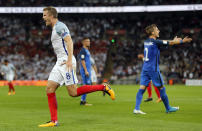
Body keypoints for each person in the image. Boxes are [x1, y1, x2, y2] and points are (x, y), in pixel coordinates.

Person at [39, 6, 115, 127]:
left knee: (73, 93)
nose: (43, 18)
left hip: (66, 62)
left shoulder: (60, 26)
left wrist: (69, 59)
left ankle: (103, 87)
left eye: (44, 15)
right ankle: (54, 121)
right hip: (60, 62)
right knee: (49, 88)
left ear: (51, 15)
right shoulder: (54, 28)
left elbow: (69, 41)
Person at [133, 24, 192, 114]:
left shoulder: (146, 41)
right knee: (161, 88)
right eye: (157, 29)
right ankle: (168, 108)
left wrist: (173, 40)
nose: (159, 31)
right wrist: (181, 41)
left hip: (145, 68)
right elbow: (169, 43)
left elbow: (163, 42)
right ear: (153, 32)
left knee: (142, 88)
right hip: (153, 69)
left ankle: (136, 108)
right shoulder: (155, 42)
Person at [79, 37, 92, 106]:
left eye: (89, 41)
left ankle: (83, 100)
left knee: (87, 85)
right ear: (83, 42)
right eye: (87, 41)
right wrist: (86, 70)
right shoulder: (83, 50)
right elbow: (82, 61)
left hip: (88, 70)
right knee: (86, 85)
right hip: (85, 70)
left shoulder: (87, 50)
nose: (89, 42)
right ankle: (82, 101)